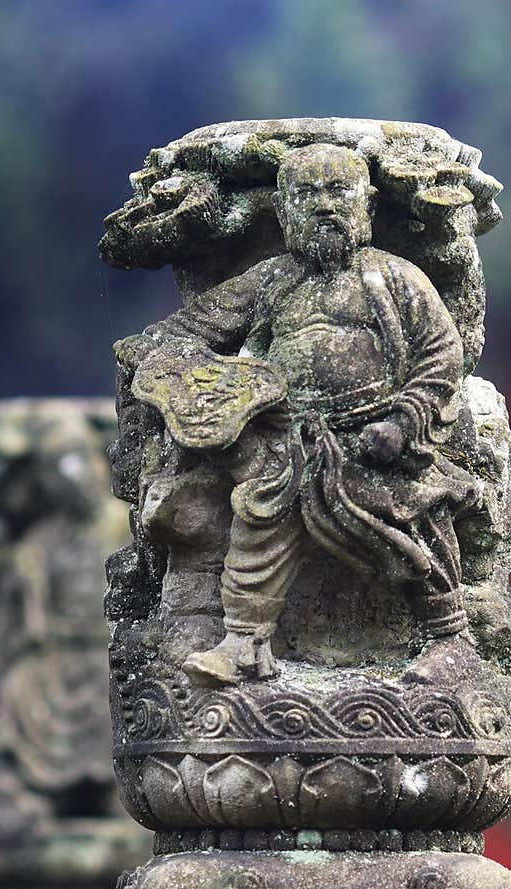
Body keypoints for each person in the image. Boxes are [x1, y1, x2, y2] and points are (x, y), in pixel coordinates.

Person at [137, 142, 479, 686]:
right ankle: (245, 642)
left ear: (365, 201)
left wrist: (404, 421)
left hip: (377, 437)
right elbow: (185, 332)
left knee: (412, 519)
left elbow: (442, 354)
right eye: (308, 194)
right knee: (261, 517)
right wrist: (193, 375)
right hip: (292, 439)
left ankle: (450, 639)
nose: (325, 206)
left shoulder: (394, 278)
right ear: (284, 206)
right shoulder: (272, 281)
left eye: (338, 191)